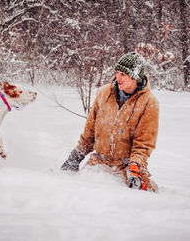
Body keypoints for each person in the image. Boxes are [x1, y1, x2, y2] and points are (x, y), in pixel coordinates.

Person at [61, 52, 159, 191]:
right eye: (117, 72)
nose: (117, 77)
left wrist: (135, 167)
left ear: (135, 77)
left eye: (123, 74)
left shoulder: (149, 103)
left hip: (126, 167)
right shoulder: (103, 93)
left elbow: (144, 144)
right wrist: (76, 156)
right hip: (99, 162)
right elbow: (90, 132)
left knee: (144, 198)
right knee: (79, 192)